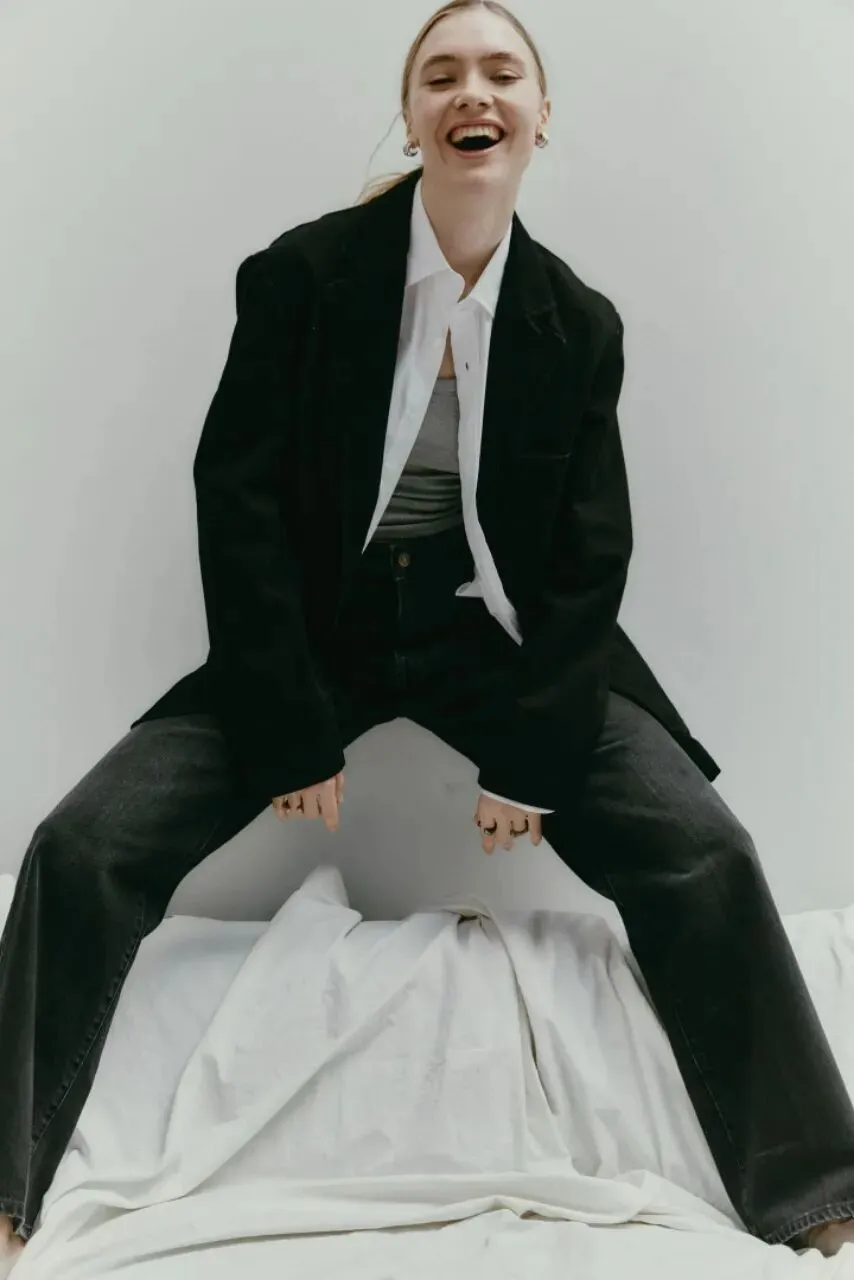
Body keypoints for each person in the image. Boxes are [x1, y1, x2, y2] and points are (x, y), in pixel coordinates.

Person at [1, 0, 852, 1261]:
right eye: (441, 74)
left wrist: (534, 757)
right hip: (316, 635)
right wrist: (287, 725)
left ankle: (817, 1189)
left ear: (540, 116)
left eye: (502, 72)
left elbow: (588, 560)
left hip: (494, 644)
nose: (473, 93)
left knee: (703, 849)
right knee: (82, 845)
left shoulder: (577, 322)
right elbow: (237, 505)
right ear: (409, 118)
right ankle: (6, 1188)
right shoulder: (301, 277)